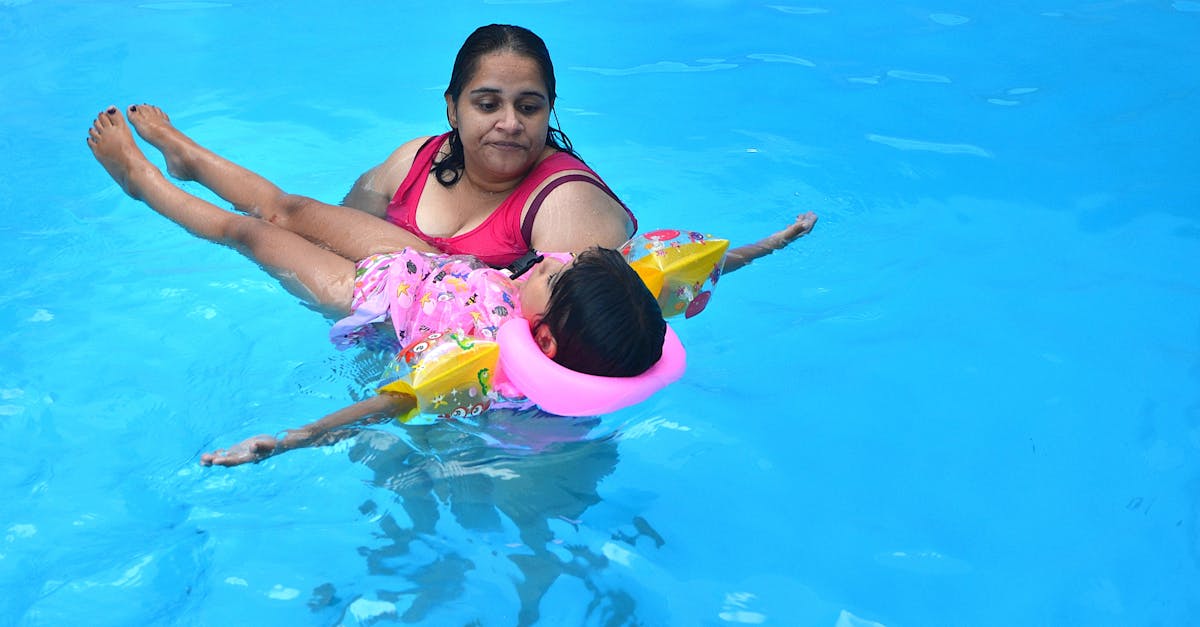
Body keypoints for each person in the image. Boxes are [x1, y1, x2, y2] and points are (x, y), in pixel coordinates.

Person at [87, 107, 664, 467]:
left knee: (249, 233)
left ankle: (143, 183)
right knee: (288, 207)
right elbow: (666, 273)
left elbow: (394, 402)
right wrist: (754, 250)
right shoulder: (583, 307)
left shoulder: (485, 367)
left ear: (549, 341)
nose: (543, 261)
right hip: (422, 263)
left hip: (365, 293)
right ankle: (188, 157)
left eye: (550, 273)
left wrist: (296, 437)